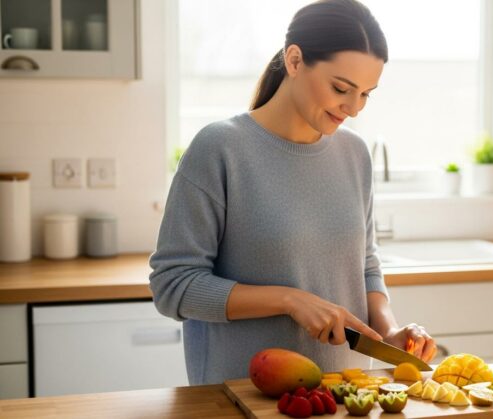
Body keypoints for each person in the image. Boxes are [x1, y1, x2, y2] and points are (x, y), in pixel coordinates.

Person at [149, 0, 436, 386]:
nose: (353, 108)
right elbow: (173, 285)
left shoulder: (354, 154)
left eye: (367, 94)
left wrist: (389, 333)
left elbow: (364, 265)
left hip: (339, 397)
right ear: (295, 60)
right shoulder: (219, 149)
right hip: (241, 398)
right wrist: (289, 300)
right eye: (341, 88)